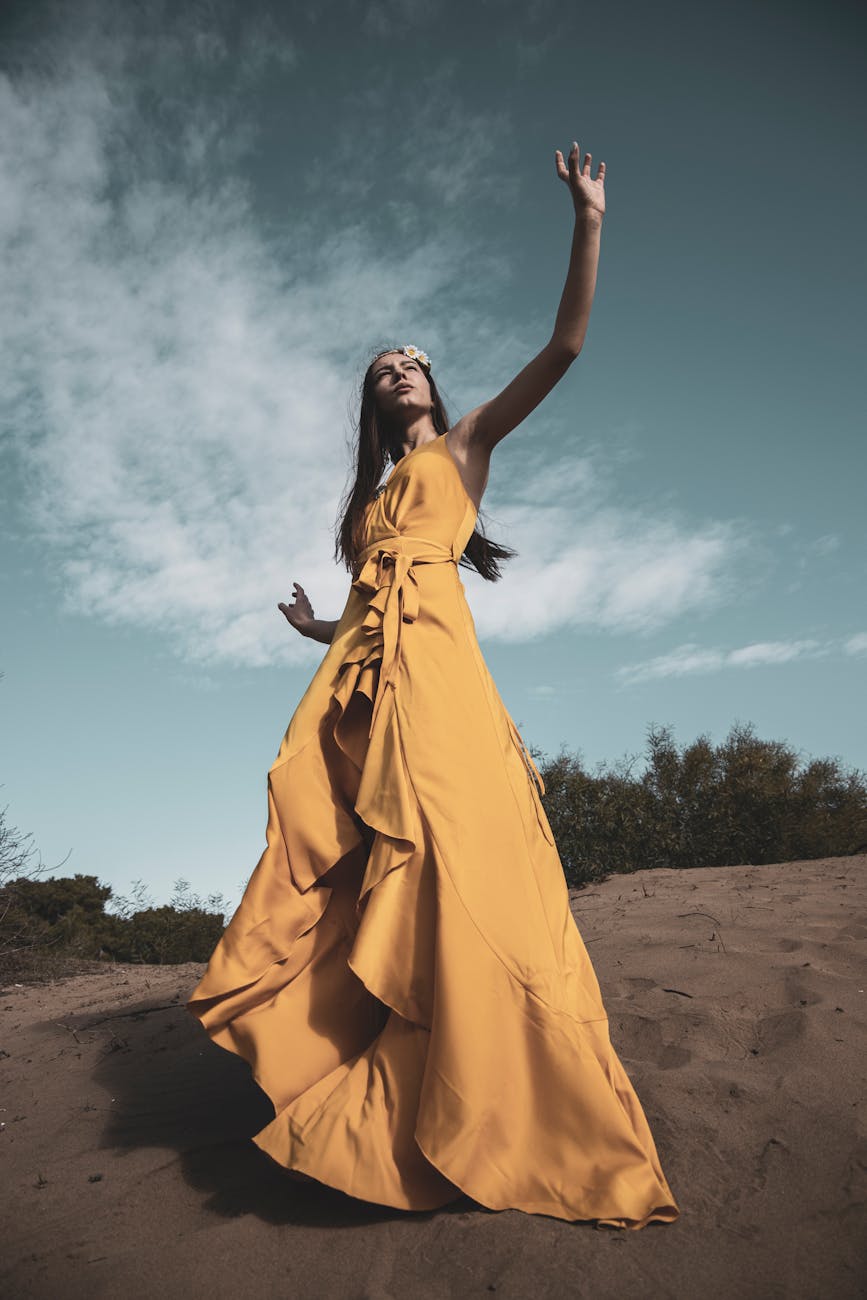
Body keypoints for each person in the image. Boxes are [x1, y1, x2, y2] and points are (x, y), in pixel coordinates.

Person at [187, 141, 680, 1229]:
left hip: (443, 671)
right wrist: (323, 625)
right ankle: (363, 1058)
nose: (398, 366)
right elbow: (373, 607)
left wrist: (587, 220)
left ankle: (493, 1085)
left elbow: (565, 346)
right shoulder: (367, 506)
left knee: (452, 850)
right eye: (381, 366)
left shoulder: (464, 448)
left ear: (434, 383)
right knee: (352, 852)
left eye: (410, 357)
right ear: (370, 400)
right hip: (366, 680)